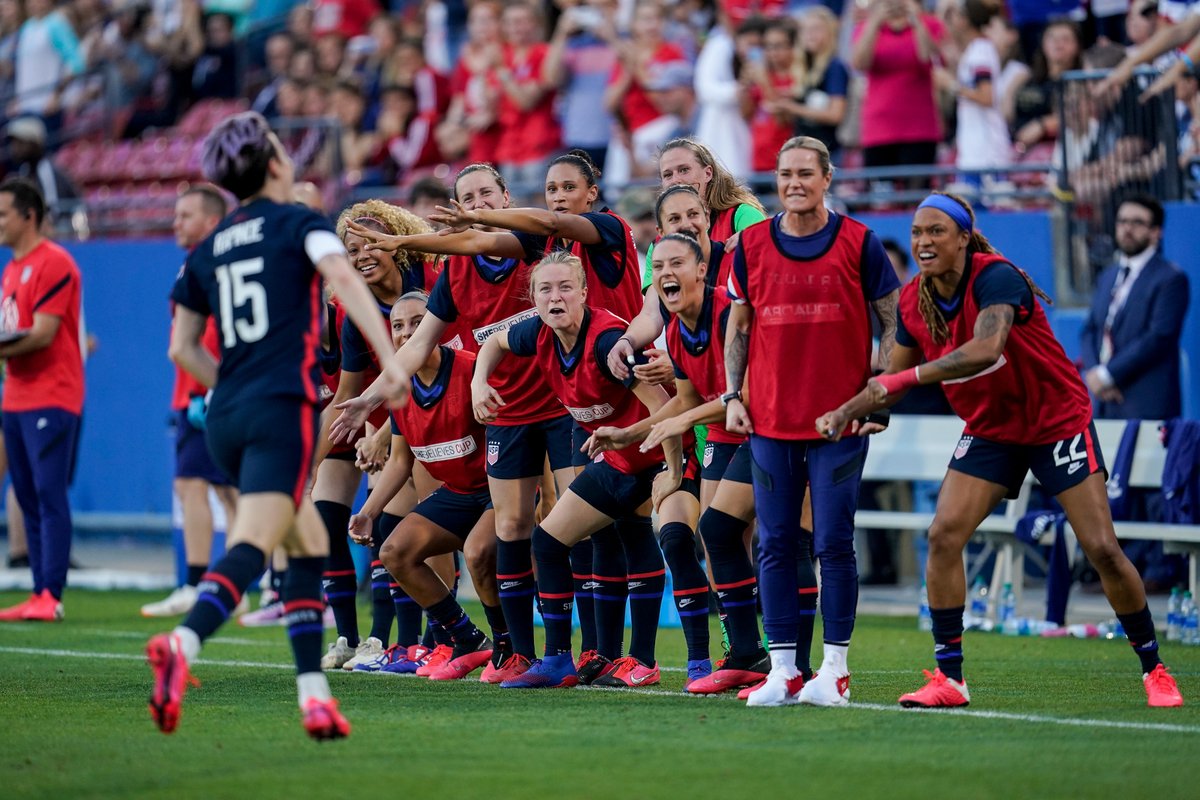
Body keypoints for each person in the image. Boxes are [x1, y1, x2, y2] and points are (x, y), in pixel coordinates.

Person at [815, 191, 1184, 710]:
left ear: (964, 238)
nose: (923, 242)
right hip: (992, 429)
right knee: (944, 534)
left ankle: (1154, 667)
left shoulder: (997, 277)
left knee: (1101, 548)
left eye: (936, 231)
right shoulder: (913, 301)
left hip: (1056, 422)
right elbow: (890, 381)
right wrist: (847, 412)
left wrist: (903, 380)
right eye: (917, 232)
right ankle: (950, 678)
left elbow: (985, 350)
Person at [145, 111, 405, 739]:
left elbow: (181, 347)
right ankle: (183, 643)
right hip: (278, 410)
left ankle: (314, 696)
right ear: (272, 165)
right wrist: (392, 361)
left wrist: (231, 385)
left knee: (305, 543)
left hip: (225, 414)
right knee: (256, 543)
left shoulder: (209, 245)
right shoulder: (298, 222)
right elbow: (340, 275)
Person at [340, 163, 576, 684]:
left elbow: (481, 238)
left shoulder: (535, 248)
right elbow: (404, 439)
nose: (478, 204)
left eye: (486, 194)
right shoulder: (451, 283)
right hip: (502, 429)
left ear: (506, 197)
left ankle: (587, 651)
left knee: (560, 532)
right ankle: (486, 645)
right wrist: (369, 402)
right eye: (467, 198)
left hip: (557, 409)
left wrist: (404, 240)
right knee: (411, 547)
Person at [724, 136, 901, 708]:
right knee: (773, 542)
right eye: (785, 174)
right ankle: (783, 671)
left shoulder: (860, 242)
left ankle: (835, 671)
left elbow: (894, 323)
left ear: (827, 179)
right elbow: (739, 327)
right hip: (769, 420)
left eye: (805, 173)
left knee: (832, 543)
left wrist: (879, 396)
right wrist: (732, 394)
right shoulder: (751, 245)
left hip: (839, 423)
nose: (794, 183)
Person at [471, 250, 692, 689]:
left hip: (658, 453)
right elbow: (493, 343)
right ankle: (558, 659)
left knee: (637, 536)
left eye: (565, 288)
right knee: (548, 541)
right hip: (617, 457)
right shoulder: (536, 333)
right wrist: (479, 382)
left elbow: (666, 409)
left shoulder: (609, 344)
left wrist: (672, 471)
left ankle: (644, 660)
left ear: (585, 293)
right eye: (545, 289)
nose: (555, 298)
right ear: (533, 299)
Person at [595, 232, 772, 694]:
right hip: (727, 434)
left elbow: (745, 394)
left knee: (788, 542)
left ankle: (798, 663)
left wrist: (681, 422)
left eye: (677, 263)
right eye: (658, 267)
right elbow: (688, 401)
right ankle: (747, 655)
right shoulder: (674, 329)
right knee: (715, 535)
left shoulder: (727, 313)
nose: (666, 273)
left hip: (774, 429)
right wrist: (630, 433)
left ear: (702, 270)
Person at [350, 292, 507, 682]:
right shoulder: (398, 389)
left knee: (478, 553)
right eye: (397, 326)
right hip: (458, 493)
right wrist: (367, 513)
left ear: (437, 327)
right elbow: (400, 461)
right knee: (394, 551)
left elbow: (514, 433)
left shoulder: (471, 369)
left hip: (498, 489)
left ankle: (509, 647)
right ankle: (466, 638)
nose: (407, 333)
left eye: (417, 322)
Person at [141, 185, 239, 619]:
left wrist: (211, 387)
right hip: (202, 388)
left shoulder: (208, 263)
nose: (176, 222)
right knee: (226, 490)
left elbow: (208, 336)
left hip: (204, 389)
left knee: (192, 485)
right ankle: (234, 585)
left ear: (212, 221)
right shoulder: (205, 262)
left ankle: (197, 583)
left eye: (186, 215)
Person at [0, 178, 83, 624]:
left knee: (49, 493)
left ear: (28, 216)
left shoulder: (55, 262)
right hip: (16, 395)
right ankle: (39, 591)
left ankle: (51, 591)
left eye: (3, 214)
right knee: (27, 494)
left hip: (52, 394)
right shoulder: (12, 268)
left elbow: (44, 333)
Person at [1081, 194, 1190, 421]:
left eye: (1137, 222)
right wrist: (1095, 375)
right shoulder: (1107, 275)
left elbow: (1158, 337)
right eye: (1122, 221)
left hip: (1146, 403)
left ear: (1156, 232)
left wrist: (1107, 374)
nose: (1127, 228)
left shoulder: (1170, 278)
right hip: (1103, 403)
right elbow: (1091, 329)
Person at [850, 0, 945, 182]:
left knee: (918, 193)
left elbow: (927, 57)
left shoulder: (929, 23)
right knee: (881, 195)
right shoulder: (867, 27)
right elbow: (859, 64)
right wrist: (875, 22)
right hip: (878, 129)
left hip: (920, 128)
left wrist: (917, 20)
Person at [936, 0, 1011, 179]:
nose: (950, 21)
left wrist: (950, 85)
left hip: (987, 154)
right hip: (975, 151)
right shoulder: (975, 50)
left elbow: (986, 96)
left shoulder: (981, 51)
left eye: (954, 16)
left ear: (965, 20)